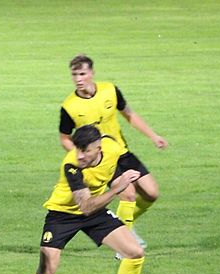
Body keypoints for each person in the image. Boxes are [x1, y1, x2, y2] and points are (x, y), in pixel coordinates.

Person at [6, 125, 155, 274]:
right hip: (62, 215)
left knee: (135, 252)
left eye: (85, 150)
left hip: (96, 213)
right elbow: (85, 206)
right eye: (77, 149)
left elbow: (121, 158)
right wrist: (118, 188)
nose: (80, 155)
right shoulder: (71, 165)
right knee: (46, 272)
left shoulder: (112, 147)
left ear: (99, 148)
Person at [59, 54, 168, 246]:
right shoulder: (69, 106)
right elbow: (64, 138)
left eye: (82, 74)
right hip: (99, 159)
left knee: (151, 193)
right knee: (128, 194)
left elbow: (129, 115)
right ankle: (126, 244)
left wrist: (153, 136)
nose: (78, 79)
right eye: (74, 75)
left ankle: (123, 225)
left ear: (92, 73)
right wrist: (82, 158)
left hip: (121, 152)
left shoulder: (110, 90)